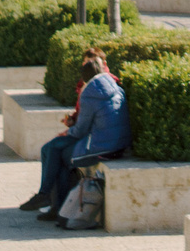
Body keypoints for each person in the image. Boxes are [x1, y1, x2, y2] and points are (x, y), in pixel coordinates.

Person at [21, 48, 130, 225]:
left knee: (59, 155)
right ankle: (53, 203)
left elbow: (80, 131)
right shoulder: (114, 86)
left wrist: (67, 132)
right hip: (117, 143)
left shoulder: (90, 92)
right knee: (55, 151)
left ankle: (51, 200)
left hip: (102, 146)